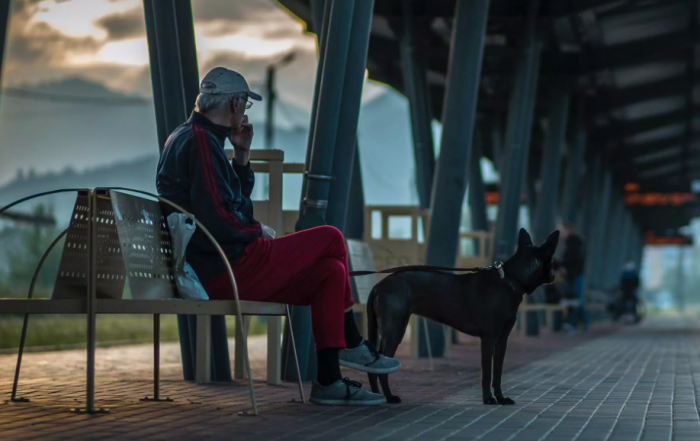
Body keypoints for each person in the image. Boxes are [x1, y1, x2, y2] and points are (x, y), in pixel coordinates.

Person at [156, 67, 399, 406]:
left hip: (219, 265)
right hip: (224, 269)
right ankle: (354, 343)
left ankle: (329, 381)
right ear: (235, 104)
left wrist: (241, 157)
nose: (244, 112)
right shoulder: (199, 142)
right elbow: (221, 218)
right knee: (330, 237)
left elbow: (232, 205)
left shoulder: (191, 137)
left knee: (331, 274)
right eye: (244, 105)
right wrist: (259, 232)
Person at [558, 221, 588, 333]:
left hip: (574, 275)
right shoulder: (574, 243)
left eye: (561, 231)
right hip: (575, 274)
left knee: (575, 300)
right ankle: (581, 324)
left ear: (568, 230)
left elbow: (572, 260)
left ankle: (576, 323)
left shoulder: (573, 244)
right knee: (576, 300)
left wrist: (564, 267)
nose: (560, 234)